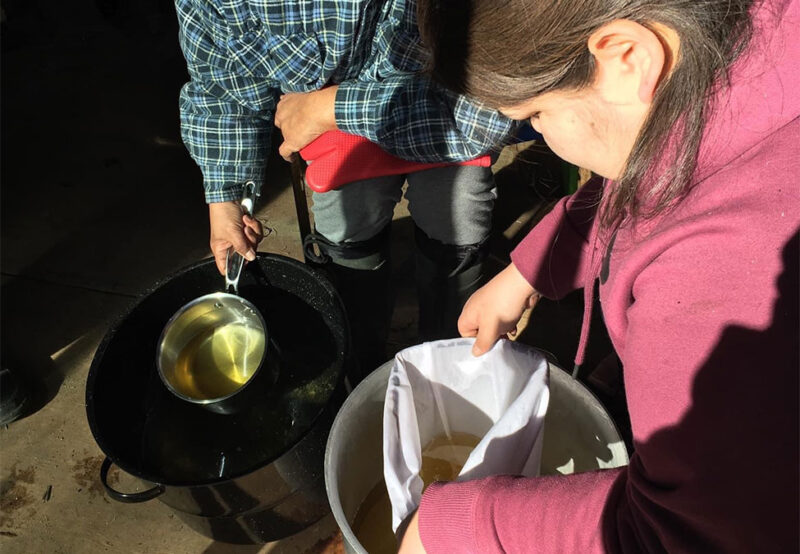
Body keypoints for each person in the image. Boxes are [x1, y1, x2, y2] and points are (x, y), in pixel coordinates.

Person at [398, 0, 799, 551]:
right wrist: (530, 270)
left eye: (536, 115)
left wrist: (447, 527)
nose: (541, 133)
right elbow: (651, 175)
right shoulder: (743, 42)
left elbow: (675, 533)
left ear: (626, 57)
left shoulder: (723, 276)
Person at [173, 0, 515, 382]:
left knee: (461, 215)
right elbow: (221, 83)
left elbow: (476, 110)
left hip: (442, 106)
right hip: (329, 124)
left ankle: (449, 350)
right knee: (345, 230)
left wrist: (326, 109)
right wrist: (226, 195)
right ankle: (361, 359)